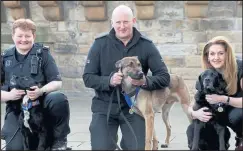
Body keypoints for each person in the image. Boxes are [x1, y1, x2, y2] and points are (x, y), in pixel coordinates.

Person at [82, 5, 170, 150]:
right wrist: (108, 81)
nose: (122, 26)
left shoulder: (146, 45)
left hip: (134, 108)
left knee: (137, 147)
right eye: (118, 22)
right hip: (105, 106)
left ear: (133, 21)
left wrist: (145, 81)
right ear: (112, 23)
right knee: (101, 147)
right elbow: (87, 77)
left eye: (126, 22)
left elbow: (164, 77)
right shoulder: (100, 44)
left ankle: (127, 142)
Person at [1, 18, 70, 150]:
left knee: (58, 98)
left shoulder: (43, 54)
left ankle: (59, 141)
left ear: (34, 36)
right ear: (13, 36)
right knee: (15, 147)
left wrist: (41, 91)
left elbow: (57, 82)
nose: (23, 39)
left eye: (27, 36)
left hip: (41, 105)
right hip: (16, 109)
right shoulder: (4, 58)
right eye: (19, 36)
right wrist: (9, 95)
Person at [186, 36, 243, 150]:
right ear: (207, 56)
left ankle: (241, 138)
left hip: (236, 109)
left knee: (236, 116)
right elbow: (194, 102)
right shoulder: (209, 73)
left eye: (220, 53)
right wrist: (194, 113)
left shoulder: (240, 68)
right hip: (220, 114)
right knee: (194, 128)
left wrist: (223, 99)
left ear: (227, 54)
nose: (216, 57)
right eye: (212, 54)